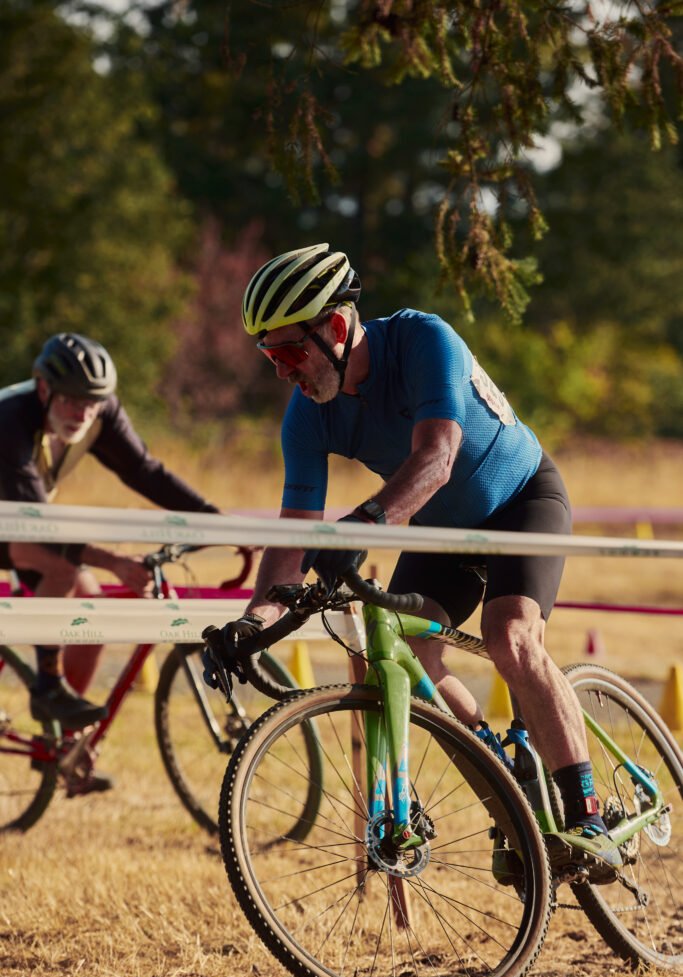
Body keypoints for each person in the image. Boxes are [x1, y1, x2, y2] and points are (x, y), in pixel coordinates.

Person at [220, 241, 622, 877]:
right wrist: (253, 622)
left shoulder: (423, 341)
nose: (281, 373)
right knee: (412, 658)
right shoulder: (307, 417)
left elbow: (438, 457)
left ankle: (588, 813)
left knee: (511, 637)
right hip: (442, 528)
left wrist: (364, 525)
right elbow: (294, 533)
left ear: (336, 327)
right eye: (270, 358)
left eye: (289, 353)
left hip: (521, 499)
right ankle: (511, 800)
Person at [0, 332, 219, 749]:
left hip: (17, 521)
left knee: (89, 614)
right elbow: (37, 525)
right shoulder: (10, 419)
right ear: (44, 389)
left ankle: (65, 747)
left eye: (92, 402)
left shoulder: (101, 410)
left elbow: (144, 472)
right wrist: (114, 560)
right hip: (18, 519)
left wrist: (216, 522)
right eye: (71, 400)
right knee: (60, 569)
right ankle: (48, 688)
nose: (82, 413)